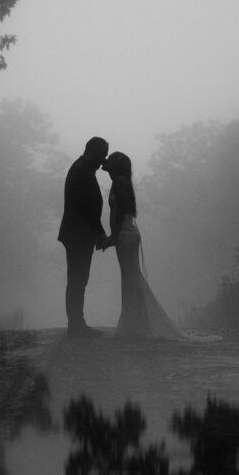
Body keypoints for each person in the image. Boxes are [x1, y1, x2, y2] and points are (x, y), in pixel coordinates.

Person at [102, 151, 182, 339]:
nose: (106, 162)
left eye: (110, 160)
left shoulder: (120, 182)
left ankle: (137, 324)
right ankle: (136, 322)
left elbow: (120, 210)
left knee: (131, 277)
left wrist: (113, 235)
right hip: (127, 232)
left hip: (125, 233)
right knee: (130, 276)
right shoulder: (121, 181)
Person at [57, 137, 111, 337]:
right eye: (102, 154)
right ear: (92, 150)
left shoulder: (82, 169)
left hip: (78, 233)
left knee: (79, 278)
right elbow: (86, 208)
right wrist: (100, 234)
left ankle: (77, 323)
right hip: (78, 234)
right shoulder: (82, 171)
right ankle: (76, 325)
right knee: (78, 279)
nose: (103, 159)